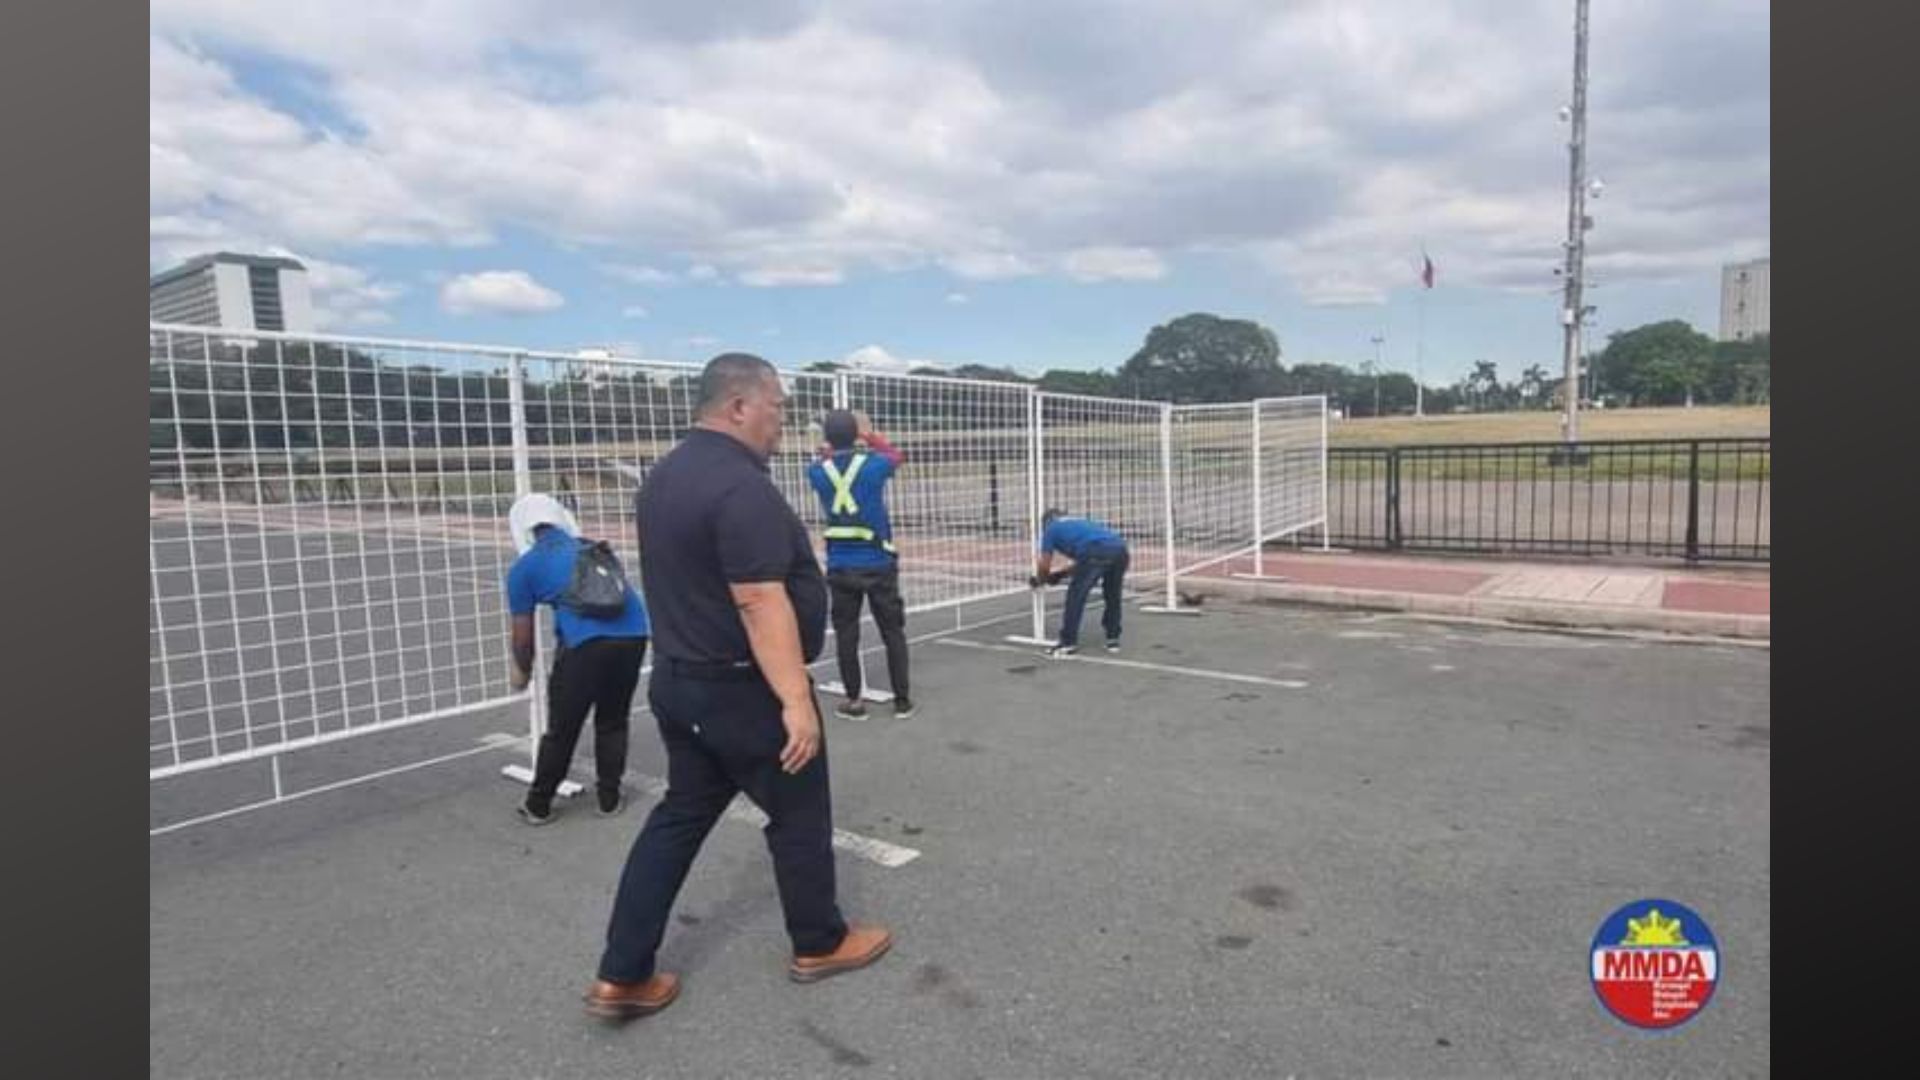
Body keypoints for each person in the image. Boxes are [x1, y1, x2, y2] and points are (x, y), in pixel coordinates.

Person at [584, 353, 893, 1020]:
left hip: (680, 681)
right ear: (738, 406)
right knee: (800, 815)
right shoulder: (739, 486)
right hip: (742, 689)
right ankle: (820, 941)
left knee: (677, 819)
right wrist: (793, 701)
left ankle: (622, 972)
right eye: (777, 405)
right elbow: (757, 598)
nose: (784, 420)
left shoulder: (664, 477)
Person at [504, 493, 650, 825]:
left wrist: (522, 672)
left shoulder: (525, 568)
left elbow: (522, 638)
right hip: (633, 633)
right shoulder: (589, 547)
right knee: (612, 720)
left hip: (585, 644)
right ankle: (609, 798)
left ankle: (538, 804)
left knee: (562, 728)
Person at [806, 408, 914, 721]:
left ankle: (854, 700)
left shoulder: (817, 472)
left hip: (840, 563)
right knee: (892, 631)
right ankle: (902, 700)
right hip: (878, 561)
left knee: (846, 635)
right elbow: (896, 455)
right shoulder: (874, 465)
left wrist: (829, 450)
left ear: (827, 436)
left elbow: (823, 461)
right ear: (856, 435)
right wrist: (870, 435)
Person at [1030, 508, 1130, 658]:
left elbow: (1045, 564)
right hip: (1120, 550)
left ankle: (1068, 642)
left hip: (1094, 551)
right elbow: (1085, 562)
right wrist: (1059, 575)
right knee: (1112, 594)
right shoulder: (1081, 522)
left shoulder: (1051, 529)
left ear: (1046, 522)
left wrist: (1040, 580)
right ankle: (1113, 638)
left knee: (1076, 596)